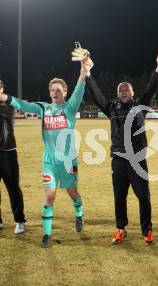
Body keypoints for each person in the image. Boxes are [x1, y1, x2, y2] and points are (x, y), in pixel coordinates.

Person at [0, 56, 92, 248]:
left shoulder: (69, 107)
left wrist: (84, 71)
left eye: (59, 89)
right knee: (49, 196)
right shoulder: (44, 108)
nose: (55, 92)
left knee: (73, 193)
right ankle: (47, 235)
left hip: (67, 161)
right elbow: (23, 105)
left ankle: (79, 214)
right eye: (52, 90)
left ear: (65, 92)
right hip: (49, 161)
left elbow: (80, 90)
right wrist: (3, 97)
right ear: (49, 93)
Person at [85, 53, 158, 245]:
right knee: (119, 197)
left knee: (143, 197)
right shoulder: (111, 108)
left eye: (126, 89)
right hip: (118, 160)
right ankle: (121, 228)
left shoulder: (140, 107)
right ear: (118, 93)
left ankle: (147, 230)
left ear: (132, 92)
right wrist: (87, 74)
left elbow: (151, 89)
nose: (123, 91)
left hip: (137, 160)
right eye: (120, 89)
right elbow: (97, 96)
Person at [0, 79, 26, 234]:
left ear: (2, 89)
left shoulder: (9, 106)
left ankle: (20, 220)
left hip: (8, 152)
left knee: (13, 188)